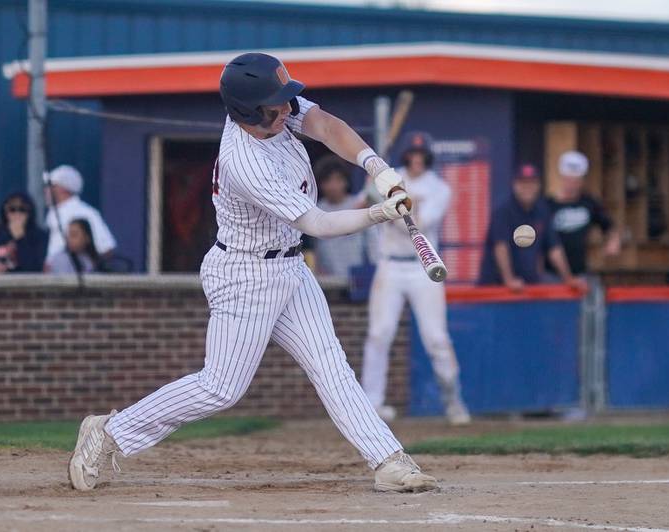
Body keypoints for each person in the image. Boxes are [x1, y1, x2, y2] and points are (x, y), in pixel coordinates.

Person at [67, 52, 438, 494]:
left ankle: (388, 460)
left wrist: (376, 167)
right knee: (220, 387)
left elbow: (323, 123)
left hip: (289, 266)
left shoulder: (274, 113)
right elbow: (317, 223)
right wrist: (379, 213)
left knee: (330, 366)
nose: (287, 108)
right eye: (276, 104)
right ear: (247, 110)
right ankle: (108, 433)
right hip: (245, 275)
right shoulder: (244, 159)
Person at [361, 132, 470, 426]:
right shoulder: (389, 178)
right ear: (407, 155)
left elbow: (417, 223)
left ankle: (452, 399)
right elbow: (369, 211)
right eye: (412, 154)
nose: (417, 159)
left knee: (436, 338)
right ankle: (372, 405)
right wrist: (374, 195)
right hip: (390, 267)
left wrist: (390, 204)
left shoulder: (438, 188)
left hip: (424, 268)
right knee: (379, 334)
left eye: (422, 155)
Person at [478, 163, 586, 291]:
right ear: (515, 185)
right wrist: (509, 280)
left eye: (531, 183)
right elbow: (501, 247)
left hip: (527, 284)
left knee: (553, 285)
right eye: (523, 184)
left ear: (538, 186)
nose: (527, 188)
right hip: (496, 287)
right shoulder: (503, 212)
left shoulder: (541, 211)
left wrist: (568, 278)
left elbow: (554, 248)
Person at [547, 150, 621, 276]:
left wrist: (613, 241)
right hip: (550, 273)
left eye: (576, 180)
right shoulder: (548, 205)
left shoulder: (589, 203)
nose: (572, 184)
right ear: (562, 178)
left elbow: (609, 226)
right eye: (569, 179)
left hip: (580, 271)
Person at [43, 165, 117, 263]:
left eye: (51, 185)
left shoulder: (85, 212)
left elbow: (107, 248)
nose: (46, 190)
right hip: (49, 276)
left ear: (63, 188)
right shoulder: (52, 213)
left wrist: (84, 268)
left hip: (73, 276)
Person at [311, 154, 368, 276]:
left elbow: (373, 242)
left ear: (346, 182)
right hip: (328, 279)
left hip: (358, 277)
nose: (333, 186)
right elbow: (314, 247)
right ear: (320, 185)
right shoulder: (315, 209)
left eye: (338, 180)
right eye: (328, 181)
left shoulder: (359, 205)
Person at [0, 192, 48, 273]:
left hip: (25, 283)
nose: (17, 214)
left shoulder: (39, 236)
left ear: (29, 212)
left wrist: (20, 238)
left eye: (22, 210)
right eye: (12, 209)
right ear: (6, 212)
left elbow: (35, 267)